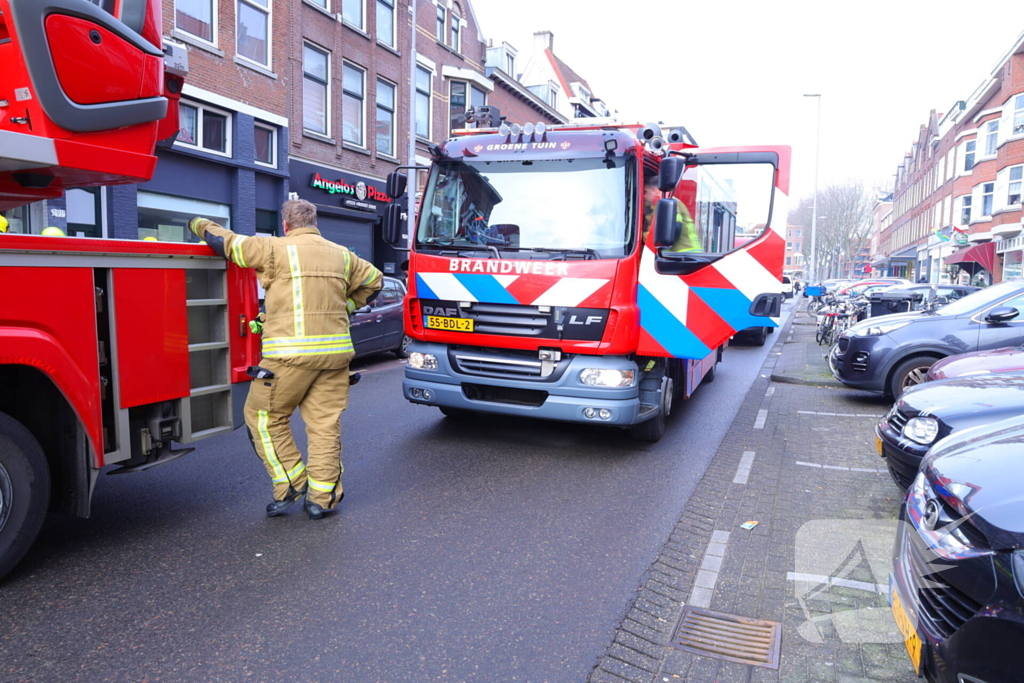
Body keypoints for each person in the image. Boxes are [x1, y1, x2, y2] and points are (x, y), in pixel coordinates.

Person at [188, 199, 382, 520]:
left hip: (289, 356)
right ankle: (323, 498)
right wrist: (344, 308)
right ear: (314, 222)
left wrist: (197, 223)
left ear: (286, 225)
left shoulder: (273, 248)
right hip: (335, 356)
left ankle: (291, 482)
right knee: (324, 426)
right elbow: (374, 283)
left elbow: (225, 243)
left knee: (262, 418)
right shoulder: (344, 255)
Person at [642, 169, 701, 252]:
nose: (644, 196)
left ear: (655, 191)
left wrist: (648, 236)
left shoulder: (670, 202)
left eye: (645, 192)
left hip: (684, 254)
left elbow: (675, 228)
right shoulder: (656, 207)